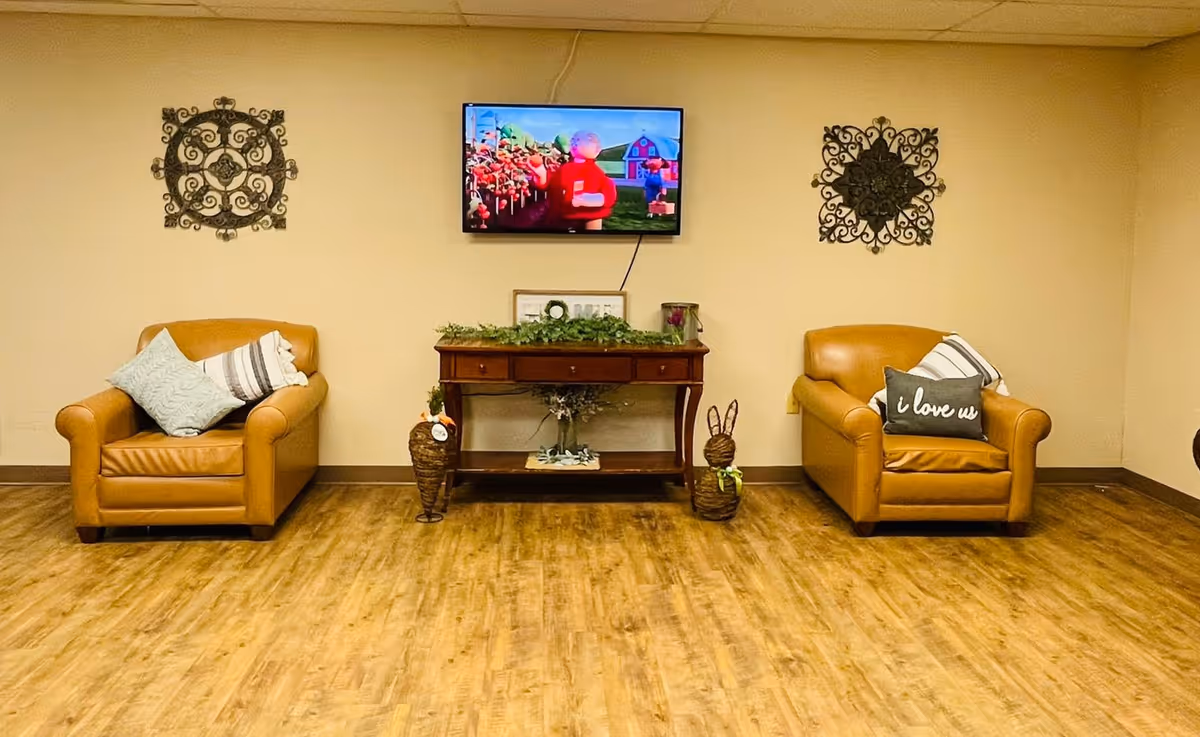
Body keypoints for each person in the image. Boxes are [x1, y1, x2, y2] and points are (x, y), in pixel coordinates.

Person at [524, 131, 617, 231]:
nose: (575, 144)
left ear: (597, 150)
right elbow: (551, 183)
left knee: (591, 240)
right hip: (563, 216)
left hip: (590, 216)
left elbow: (609, 194)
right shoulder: (564, 170)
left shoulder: (597, 173)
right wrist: (541, 173)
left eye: (580, 141)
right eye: (573, 141)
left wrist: (589, 200)